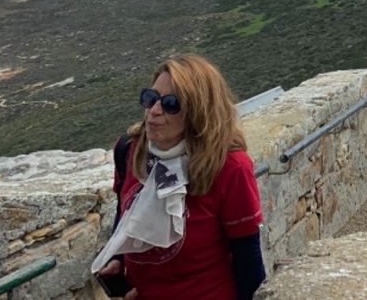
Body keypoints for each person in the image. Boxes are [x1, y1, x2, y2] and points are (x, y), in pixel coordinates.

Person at [92, 54, 265, 299]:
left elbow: (248, 260)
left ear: (198, 111)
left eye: (170, 104)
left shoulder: (229, 168)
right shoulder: (130, 151)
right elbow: (126, 211)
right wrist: (118, 258)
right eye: (150, 99)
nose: (154, 111)